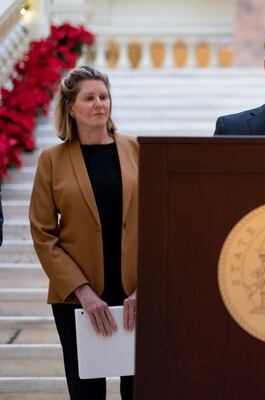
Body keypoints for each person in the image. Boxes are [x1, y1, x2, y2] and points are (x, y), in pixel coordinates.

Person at [29, 66, 138, 400]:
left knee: (140, 389)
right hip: (78, 300)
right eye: (89, 98)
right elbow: (43, 234)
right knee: (86, 392)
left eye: (103, 96)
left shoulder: (137, 149)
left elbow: (159, 221)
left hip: (135, 297)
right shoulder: (52, 160)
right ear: (71, 107)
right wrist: (84, 293)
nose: (99, 104)